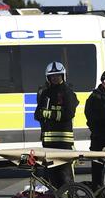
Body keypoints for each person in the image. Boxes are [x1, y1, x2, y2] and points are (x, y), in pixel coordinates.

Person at [34, 61, 79, 189]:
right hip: (48, 142)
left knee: (65, 176)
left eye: (58, 75)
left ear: (63, 76)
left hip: (64, 142)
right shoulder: (45, 93)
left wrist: (48, 113)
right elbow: (37, 114)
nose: (55, 78)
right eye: (52, 76)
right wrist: (48, 113)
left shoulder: (67, 92)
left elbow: (69, 114)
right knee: (51, 176)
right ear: (48, 78)